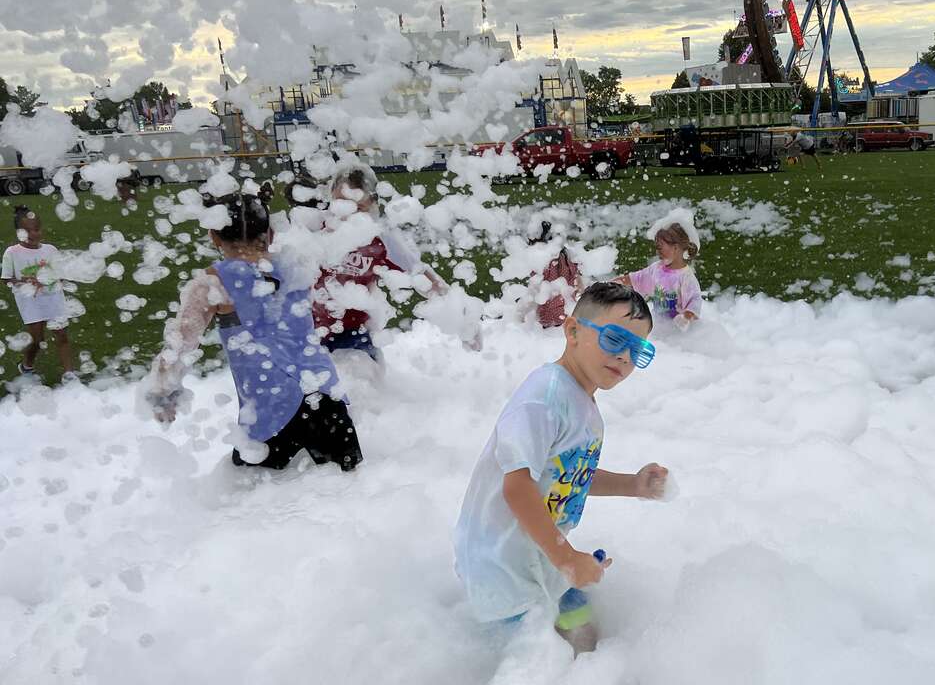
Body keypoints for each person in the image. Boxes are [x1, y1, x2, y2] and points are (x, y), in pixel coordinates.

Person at [453, 282, 668, 653]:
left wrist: (633, 485)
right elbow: (517, 487)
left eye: (638, 351)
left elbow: (571, 476)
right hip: (499, 565)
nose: (625, 358)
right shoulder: (544, 397)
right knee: (528, 657)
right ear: (572, 331)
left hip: (539, 554)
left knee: (581, 632)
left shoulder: (583, 404)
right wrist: (567, 558)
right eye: (616, 340)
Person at [145, 183, 363, 472]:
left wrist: (162, 393)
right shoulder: (296, 263)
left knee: (252, 506)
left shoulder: (213, 282)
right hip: (327, 395)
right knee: (349, 490)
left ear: (213, 235)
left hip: (271, 413)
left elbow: (179, 346)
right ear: (269, 233)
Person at [311, 162, 446, 360]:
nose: (349, 215)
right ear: (332, 198)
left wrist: (461, 319)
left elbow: (421, 275)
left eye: (358, 207)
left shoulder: (381, 239)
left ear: (372, 205)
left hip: (351, 332)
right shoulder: (315, 227)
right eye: (342, 204)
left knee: (361, 375)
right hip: (307, 329)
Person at [2, 206, 75, 380]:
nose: (34, 234)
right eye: (28, 231)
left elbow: (60, 274)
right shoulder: (12, 253)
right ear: (19, 232)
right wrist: (24, 282)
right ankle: (27, 365)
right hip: (30, 301)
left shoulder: (50, 250)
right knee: (37, 340)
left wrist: (55, 278)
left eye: (36, 229)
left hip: (53, 297)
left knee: (62, 335)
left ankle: (70, 374)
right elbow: (6, 278)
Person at [617, 211, 702, 328]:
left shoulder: (686, 277)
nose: (657, 251)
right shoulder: (657, 268)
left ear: (676, 248)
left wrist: (686, 317)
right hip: (658, 327)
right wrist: (608, 284)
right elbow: (635, 278)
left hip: (678, 332)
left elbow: (695, 301)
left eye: (660, 247)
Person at [529, 220, 581, 330]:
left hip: (556, 307)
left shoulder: (549, 317)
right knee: (550, 269)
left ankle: (544, 241)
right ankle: (546, 242)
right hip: (559, 303)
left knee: (546, 269)